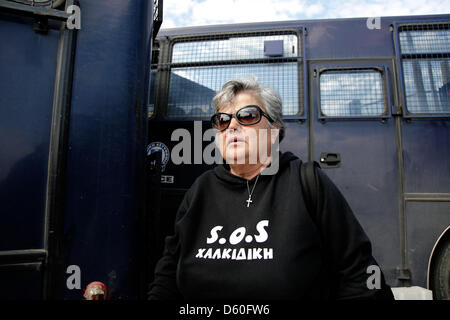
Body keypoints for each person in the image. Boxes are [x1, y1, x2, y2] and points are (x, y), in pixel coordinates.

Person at [148, 77, 394, 300]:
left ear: (273, 131)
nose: (231, 126)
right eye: (222, 120)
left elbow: (362, 275)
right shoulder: (200, 190)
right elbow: (168, 272)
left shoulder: (307, 183)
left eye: (247, 116)